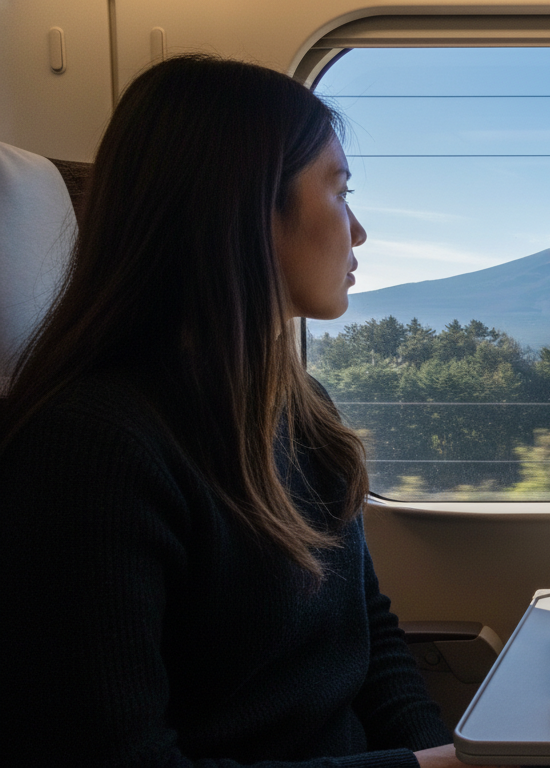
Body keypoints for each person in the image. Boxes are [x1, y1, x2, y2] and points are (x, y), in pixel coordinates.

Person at [0, 55, 475, 767]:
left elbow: (370, 646)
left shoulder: (298, 408)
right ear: (251, 209)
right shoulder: (91, 448)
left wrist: (440, 753)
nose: (360, 232)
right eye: (339, 192)